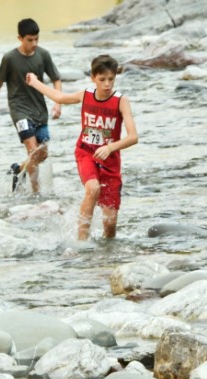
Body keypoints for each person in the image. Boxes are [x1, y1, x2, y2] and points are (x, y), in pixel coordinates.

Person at [26, 55, 138, 240]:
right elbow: (59, 97)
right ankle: (82, 242)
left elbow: (133, 137)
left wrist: (110, 148)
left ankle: (107, 250)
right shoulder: (85, 95)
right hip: (86, 153)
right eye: (102, 79)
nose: (107, 84)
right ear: (93, 78)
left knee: (110, 223)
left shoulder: (121, 101)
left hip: (110, 161)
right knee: (93, 188)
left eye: (111, 79)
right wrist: (35, 82)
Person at [0, 18, 63, 194]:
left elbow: (56, 79)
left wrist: (58, 104)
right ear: (20, 38)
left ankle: (18, 169)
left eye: (36, 39)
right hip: (19, 110)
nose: (34, 43)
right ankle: (36, 193)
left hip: (40, 110)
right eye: (29, 40)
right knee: (33, 150)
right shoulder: (10, 58)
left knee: (42, 154)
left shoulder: (43, 55)